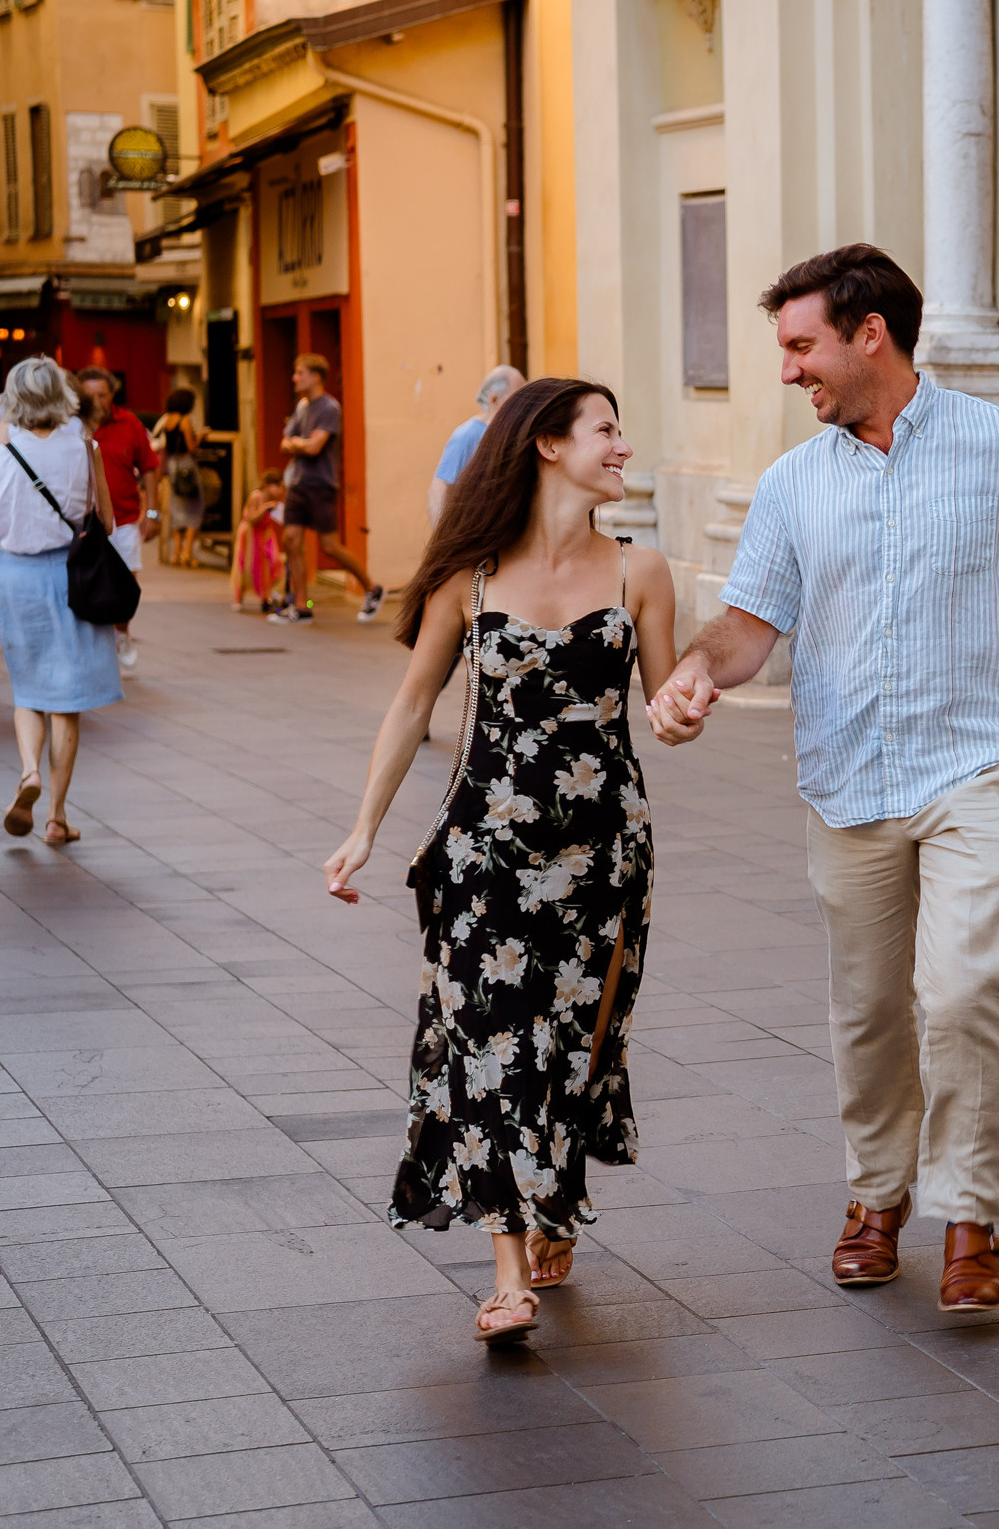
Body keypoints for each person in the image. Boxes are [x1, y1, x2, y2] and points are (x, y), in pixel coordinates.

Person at [646, 244, 999, 1315]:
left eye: (800, 346)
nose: (788, 371)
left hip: (980, 759)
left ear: (867, 332)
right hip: (848, 774)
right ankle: (876, 1195)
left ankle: (969, 1216)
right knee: (871, 1010)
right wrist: (695, 673)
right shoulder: (791, 485)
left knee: (966, 987)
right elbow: (749, 629)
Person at [323, 377, 678, 1345]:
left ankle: (551, 1196)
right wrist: (363, 827)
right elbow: (411, 704)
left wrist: (683, 707)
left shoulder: (641, 570)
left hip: (605, 853)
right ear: (547, 445)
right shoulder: (467, 579)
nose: (620, 444)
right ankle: (509, 1268)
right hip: (485, 850)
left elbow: (663, 714)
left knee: (572, 1048)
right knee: (493, 1048)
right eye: (606, 428)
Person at [0, 358, 121, 845]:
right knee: (65, 701)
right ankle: (56, 816)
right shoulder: (85, 448)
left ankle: (29, 771)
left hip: (15, 579)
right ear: (61, 397)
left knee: (28, 691)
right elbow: (107, 524)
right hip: (71, 576)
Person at [271, 353, 385, 624]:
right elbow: (284, 443)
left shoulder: (329, 408)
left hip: (321, 484)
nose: (294, 378)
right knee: (291, 541)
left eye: (300, 373)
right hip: (298, 484)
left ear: (315, 376)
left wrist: (298, 443)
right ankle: (301, 606)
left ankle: (371, 587)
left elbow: (314, 447)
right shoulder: (302, 407)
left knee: (330, 546)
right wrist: (301, 442)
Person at [81, 368, 156, 673]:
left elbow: (149, 467)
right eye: (90, 395)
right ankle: (93, 643)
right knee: (86, 584)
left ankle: (121, 633)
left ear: (113, 394)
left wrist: (152, 512)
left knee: (126, 584)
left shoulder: (129, 423)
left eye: (103, 394)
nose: (97, 401)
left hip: (124, 518)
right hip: (84, 522)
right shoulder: (72, 425)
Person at [429, 365, 524, 526]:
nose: (522, 406)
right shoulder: (467, 435)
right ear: (494, 400)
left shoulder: (509, 434)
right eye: (516, 399)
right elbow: (439, 488)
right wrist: (444, 540)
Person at [152, 387, 209, 570]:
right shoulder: (185, 420)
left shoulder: (167, 420)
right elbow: (191, 448)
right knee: (195, 507)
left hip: (172, 466)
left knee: (177, 508)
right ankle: (187, 552)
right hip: (186, 465)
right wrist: (200, 436)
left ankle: (176, 553)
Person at [230, 470, 286, 612]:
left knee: (272, 563)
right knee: (247, 566)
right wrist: (266, 508)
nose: (280, 490)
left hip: (265, 535)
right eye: (278, 486)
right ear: (267, 485)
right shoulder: (256, 496)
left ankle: (267, 596)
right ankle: (239, 597)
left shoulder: (275, 502)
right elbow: (251, 519)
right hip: (250, 536)